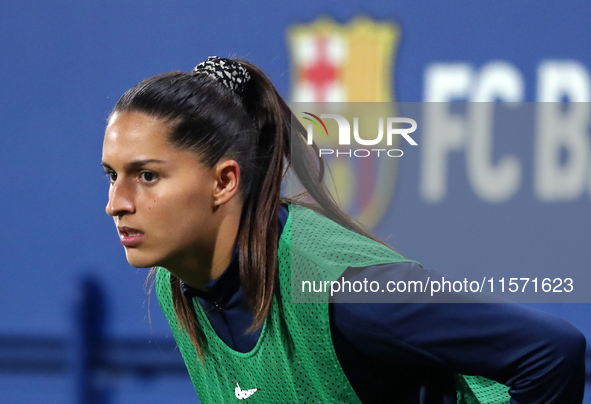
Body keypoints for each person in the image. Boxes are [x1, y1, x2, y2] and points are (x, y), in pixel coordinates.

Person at [101, 56, 586, 403]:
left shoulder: (345, 292)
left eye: (147, 176)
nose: (115, 204)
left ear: (224, 181)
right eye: (111, 175)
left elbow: (551, 353)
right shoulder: (178, 282)